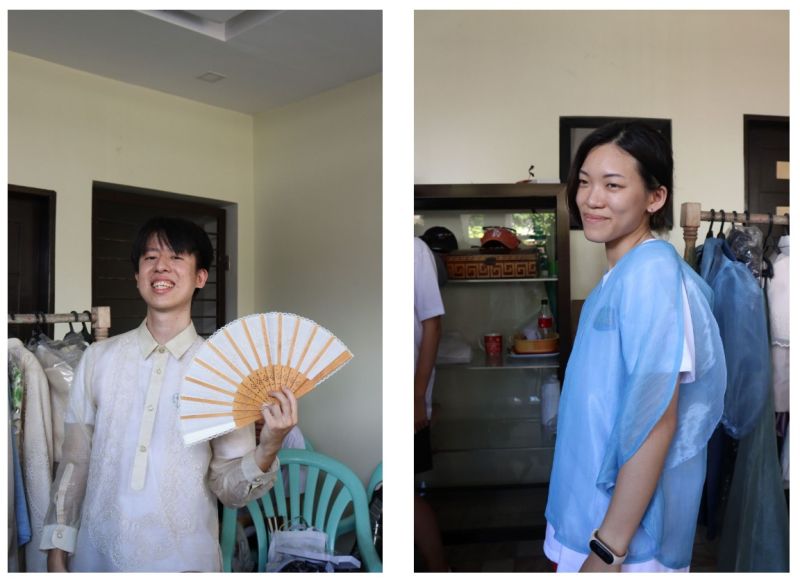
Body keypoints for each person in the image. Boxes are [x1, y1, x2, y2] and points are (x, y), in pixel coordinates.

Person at [41, 217, 298, 572]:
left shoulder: (223, 369)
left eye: (176, 257)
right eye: (149, 258)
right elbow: (74, 463)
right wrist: (57, 546)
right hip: (95, 559)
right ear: (137, 275)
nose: (161, 266)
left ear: (201, 277)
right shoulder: (98, 358)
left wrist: (269, 445)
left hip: (184, 561)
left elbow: (228, 489)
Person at [544, 121, 726, 572]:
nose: (591, 198)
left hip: (620, 535)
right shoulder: (619, 277)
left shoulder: (652, 274)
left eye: (613, 184)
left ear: (655, 197)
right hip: (587, 511)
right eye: (584, 182)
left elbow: (657, 420)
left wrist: (609, 548)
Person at [413, 236, 448, 572]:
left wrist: (417, 396)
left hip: (410, 394)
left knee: (404, 491)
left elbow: (432, 324)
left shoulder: (413, 250)